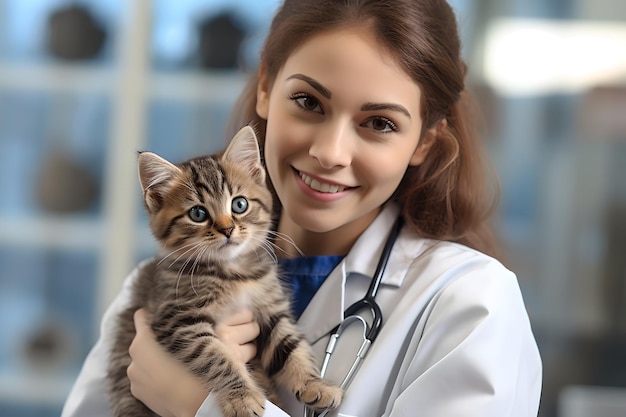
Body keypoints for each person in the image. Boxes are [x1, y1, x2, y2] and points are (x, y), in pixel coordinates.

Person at [61, 0, 542, 416]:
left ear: (424, 141)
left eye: (378, 122)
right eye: (308, 101)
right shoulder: (155, 287)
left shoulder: (471, 305)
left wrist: (194, 403)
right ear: (266, 87)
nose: (330, 152)